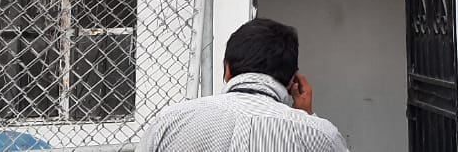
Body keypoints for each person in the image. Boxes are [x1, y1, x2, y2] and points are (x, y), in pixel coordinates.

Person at [138, 18, 349, 151]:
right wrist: (307, 116)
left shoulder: (169, 122)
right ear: (293, 80)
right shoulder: (320, 135)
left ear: (227, 70)